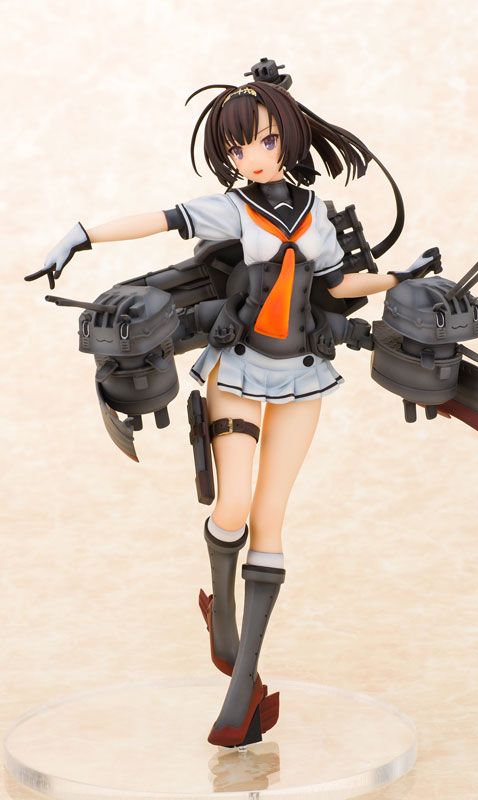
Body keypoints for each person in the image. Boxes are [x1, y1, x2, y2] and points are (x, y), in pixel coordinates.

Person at [27, 76, 439, 748]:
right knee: (234, 504)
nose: (254, 157)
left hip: (303, 374)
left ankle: (241, 686)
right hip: (239, 369)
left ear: (288, 139)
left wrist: (401, 277)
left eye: (266, 142)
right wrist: (81, 234)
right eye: (239, 147)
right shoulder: (232, 210)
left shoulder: (315, 213)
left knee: (271, 520)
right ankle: (222, 610)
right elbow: (161, 219)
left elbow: (338, 284)